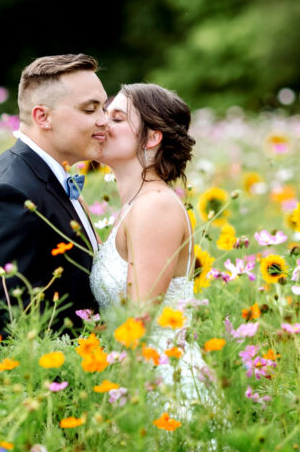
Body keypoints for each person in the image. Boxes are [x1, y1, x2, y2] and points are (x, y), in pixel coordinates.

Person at [0, 53, 108, 351]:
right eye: (90, 109)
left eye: (104, 107)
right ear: (43, 117)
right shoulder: (8, 196)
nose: (103, 119)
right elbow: (5, 331)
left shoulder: (46, 177)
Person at [90, 82, 215, 418]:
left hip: (160, 385)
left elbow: (138, 320)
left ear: (151, 138)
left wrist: (114, 407)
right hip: (143, 376)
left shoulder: (155, 208)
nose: (102, 123)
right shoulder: (137, 206)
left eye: (117, 117)